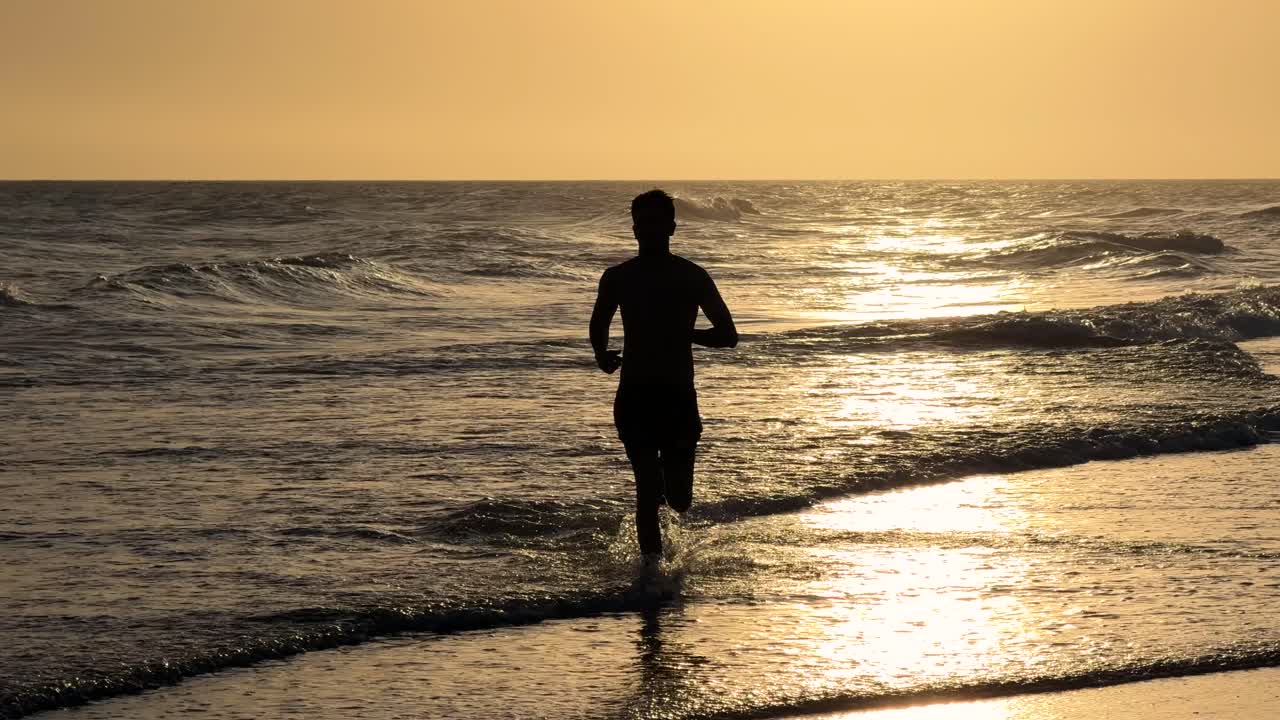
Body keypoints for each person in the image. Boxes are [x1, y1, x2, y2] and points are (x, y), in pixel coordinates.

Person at [590, 189, 738, 564]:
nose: (650, 230)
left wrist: (683, 333)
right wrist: (601, 354)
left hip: (678, 398)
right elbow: (599, 322)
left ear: (672, 227)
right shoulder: (619, 277)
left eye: (657, 223)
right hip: (635, 396)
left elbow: (728, 335)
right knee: (646, 490)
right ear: (634, 229)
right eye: (643, 223)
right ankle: (652, 582)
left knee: (680, 499)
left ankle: (663, 495)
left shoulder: (691, 276)